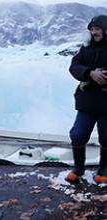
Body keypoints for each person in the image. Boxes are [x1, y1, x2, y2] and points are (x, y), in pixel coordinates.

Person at [66, 15, 107, 183]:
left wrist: (95, 78)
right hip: (87, 103)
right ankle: (78, 168)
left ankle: (104, 169)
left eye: (97, 28)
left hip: (106, 104)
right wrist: (90, 73)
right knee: (78, 134)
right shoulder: (86, 48)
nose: (94, 32)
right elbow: (74, 66)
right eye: (91, 29)